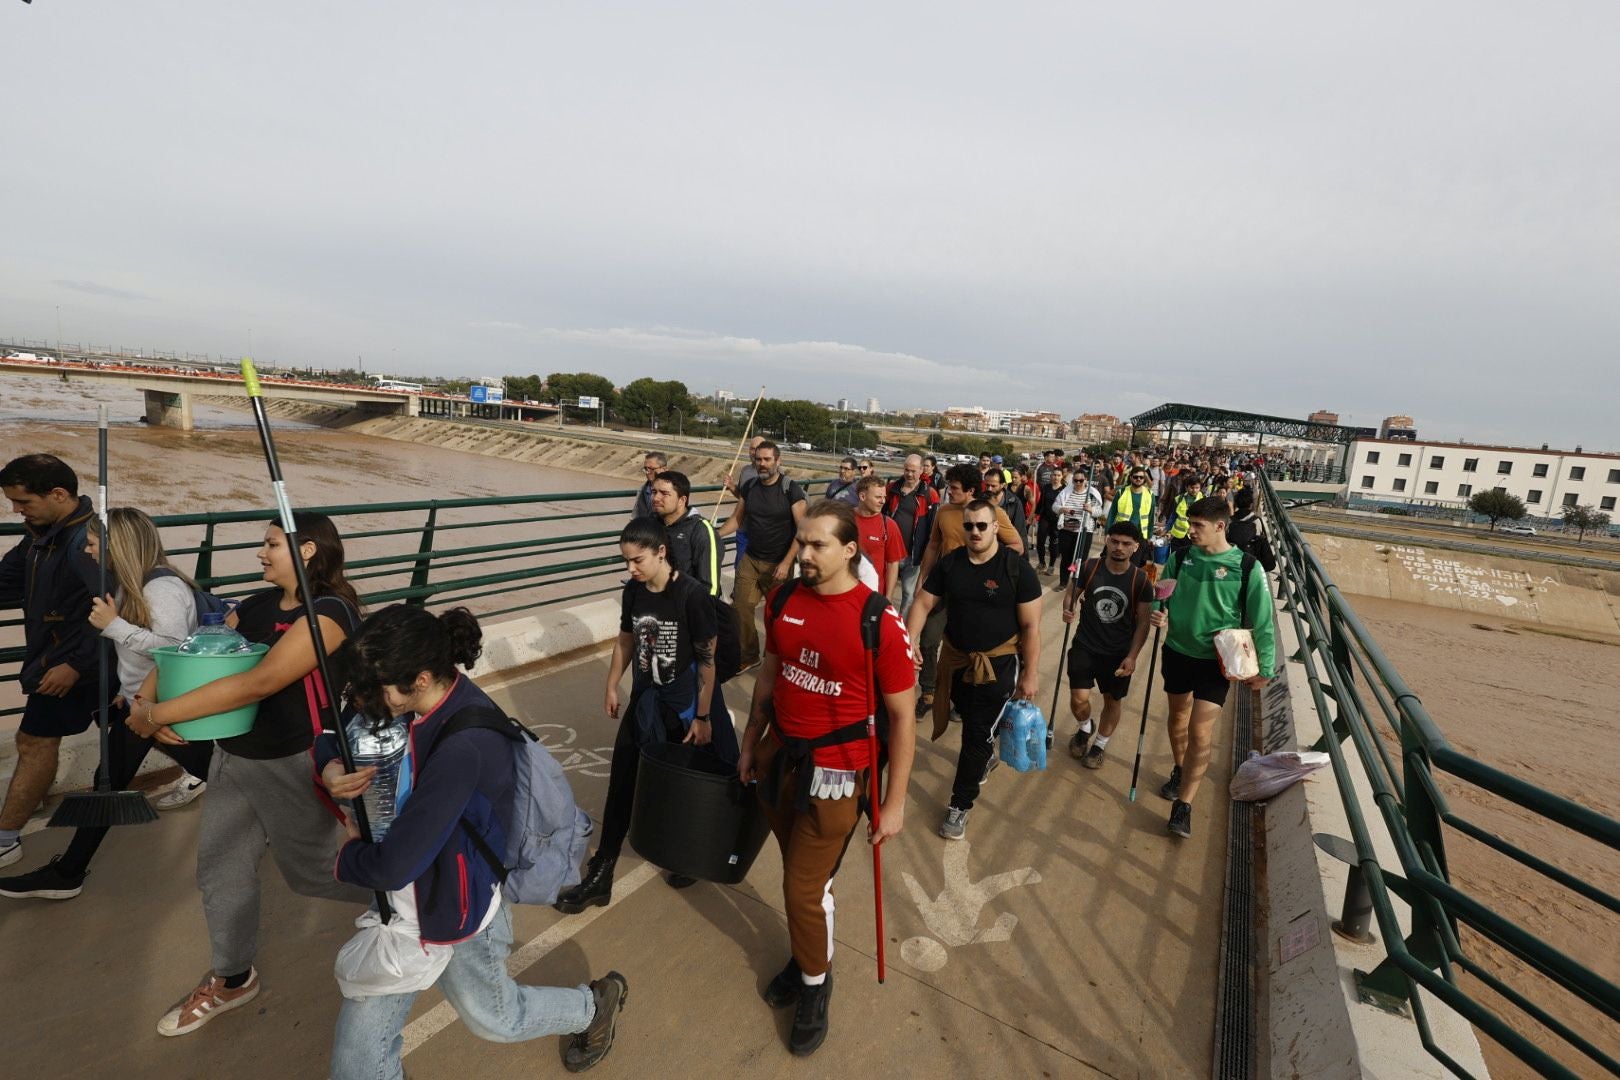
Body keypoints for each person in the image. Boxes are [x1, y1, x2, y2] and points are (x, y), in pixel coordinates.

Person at [321, 605, 628, 1078]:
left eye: (380, 689)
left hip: (455, 905)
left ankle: (592, 1007)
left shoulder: (462, 747)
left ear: (421, 678)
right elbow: (340, 727)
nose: (369, 700)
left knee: (496, 1018)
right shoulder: (415, 699)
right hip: (406, 907)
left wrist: (348, 855)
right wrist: (330, 765)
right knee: (357, 1062)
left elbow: (390, 866)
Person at [130, 512, 371, 1036]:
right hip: (235, 755)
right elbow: (190, 652)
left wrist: (158, 717)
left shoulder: (329, 612)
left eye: (271, 544)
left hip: (297, 759)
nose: (260, 553)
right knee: (221, 869)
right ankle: (233, 978)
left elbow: (259, 682)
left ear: (307, 551)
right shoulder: (256, 605)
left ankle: (419, 896)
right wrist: (143, 698)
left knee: (314, 874)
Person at [737, 500, 917, 1057]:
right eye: (802, 542)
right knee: (806, 881)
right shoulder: (783, 598)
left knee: (801, 887)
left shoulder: (878, 620)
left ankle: (815, 985)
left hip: (838, 774)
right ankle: (808, 948)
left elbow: (903, 716)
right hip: (779, 759)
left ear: (848, 551)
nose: (805, 554)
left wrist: (895, 803)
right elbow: (770, 675)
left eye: (817, 545)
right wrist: (749, 745)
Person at [0, 508, 214, 900]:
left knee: (123, 778)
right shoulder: (127, 585)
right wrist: (126, 687)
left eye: (95, 544)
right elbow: (140, 652)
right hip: (141, 702)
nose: (91, 552)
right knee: (203, 769)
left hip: (163, 705)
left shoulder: (159, 589)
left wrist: (113, 626)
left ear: (118, 546)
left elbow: (171, 648)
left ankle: (68, 872)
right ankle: (68, 871)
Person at [556, 517, 721, 911]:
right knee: (622, 783)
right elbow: (626, 640)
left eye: (637, 560)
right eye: (626, 561)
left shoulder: (692, 596)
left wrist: (702, 716)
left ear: (661, 552)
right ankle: (601, 873)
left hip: (679, 709)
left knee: (673, 791)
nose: (631, 568)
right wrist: (613, 684)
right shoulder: (634, 592)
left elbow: (708, 662)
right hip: (644, 701)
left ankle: (687, 856)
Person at [906, 499, 1040, 840]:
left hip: (997, 666)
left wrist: (1030, 673)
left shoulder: (1016, 569)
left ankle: (960, 805)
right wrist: (909, 641)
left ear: (996, 527)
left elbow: (1031, 628)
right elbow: (923, 602)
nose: (975, 532)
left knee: (974, 736)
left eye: (982, 525)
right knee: (965, 716)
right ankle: (987, 749)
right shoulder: (951, 564)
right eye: (969, 526)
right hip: (956, 662)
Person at [1148, 497, 1276, 839]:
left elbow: (1263, 619)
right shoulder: (1181, 558)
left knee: (1200, 731)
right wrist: (1159, 613)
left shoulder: (1247, 566)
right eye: (1189, 524)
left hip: (1216, 663)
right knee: (1177, 719)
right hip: (1177, 652)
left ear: (1221, 525)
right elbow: (1162, 594)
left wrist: (1266, 666)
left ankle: (1184, 805)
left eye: (1197, 526)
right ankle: (1180, 768)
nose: (1190, 531)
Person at [0, 454, 101, 870]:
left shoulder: (87, 542)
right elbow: (5, 581)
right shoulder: (41, 538)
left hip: (76, 665)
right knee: (141, 733)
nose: (15, 511)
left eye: (23, 502)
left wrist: (77, 664)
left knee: (35, 741)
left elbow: (119, 605)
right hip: (62, 659)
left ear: (58, 494)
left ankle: (6, 839)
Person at [912, 464, 1024, 713]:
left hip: (977, 593)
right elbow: (933, 546)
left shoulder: (993, 514)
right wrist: (923, 578)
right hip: (943, 586)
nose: (948, 492)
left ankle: (960, 696)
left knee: (968, 645)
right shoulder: (944, 512)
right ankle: (928, 692)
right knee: (929, 640)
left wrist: (990, 565)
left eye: (953, 488)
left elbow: (1017, 545)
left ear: (971, 490)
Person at [1062, 522, 1153, 769]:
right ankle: (1085, 727)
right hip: (1085, 645)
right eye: (1114, 541)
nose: (1118, 548)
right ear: (1107, 541)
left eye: (1126, 544)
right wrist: (1067, 607)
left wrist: (1133, 656)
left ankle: (1099, 745)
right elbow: (1072, 592)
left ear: (1135, 547)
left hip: (1118, 653)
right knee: (1078, 699)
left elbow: (1144, 623)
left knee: (1112, 701)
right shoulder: (1090, 567)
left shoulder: (1141, 580)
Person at [717, 440, 807, 672]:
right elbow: (738, 519)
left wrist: (787, 562)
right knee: (741, 607)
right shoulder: (749, 487)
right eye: (758, 459)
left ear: (778, 461)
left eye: (767, 459)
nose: (762, 464)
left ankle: (779, 658)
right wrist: (713, 534)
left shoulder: (791, 489)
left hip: (778, 563)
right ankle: (749, 655)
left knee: (777, 616)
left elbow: (803, 531)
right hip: (751, 559)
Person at [651, 469, 740, 683]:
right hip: (659, 618)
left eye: (664, 493)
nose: (655, 498)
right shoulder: (654, 525)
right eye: (654, 492)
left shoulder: (701, 531)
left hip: (691, 620)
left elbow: (708, 588)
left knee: (697, 683)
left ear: (682, 499)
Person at [883, 454, 940, 617]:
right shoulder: (892, 489)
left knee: (908, 594)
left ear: (922, 470)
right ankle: (885, 620)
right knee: (887, 589)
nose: (909, 474)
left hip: (913, 554)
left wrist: (926, 554)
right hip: (891, 552)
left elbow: (933, 527)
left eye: (913, 471)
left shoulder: (930, 494)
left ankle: (902, 627)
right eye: (906, 470)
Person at [853, 475, 906, 599]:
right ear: (862, 496)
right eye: (878, 497)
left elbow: (893, 565)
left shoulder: (889, 526)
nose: (883, 501)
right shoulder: (843, 520)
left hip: (873, 596)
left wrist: (887, 598)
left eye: (884, 497)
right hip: (842, 592)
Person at [1051, 470, 1104, 590]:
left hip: (1084, 530)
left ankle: (1078, 583)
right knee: (1066, 557)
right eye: (1076, 480)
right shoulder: (1066, 492)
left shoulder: (1091, 494)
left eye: (1081, 480)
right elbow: (1054, 506)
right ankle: (1063, 582)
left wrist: (1090, 509)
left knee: (1081, 559)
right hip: (1067, 530)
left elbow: (1099, 512)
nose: (1078, 483)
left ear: (1086, 480)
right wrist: (1062, 509)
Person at [1106, 468, 1157, 567]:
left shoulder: (1150, 495)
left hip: (1140, 535)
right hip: (1121, 534)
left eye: (1141, 477)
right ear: (1131, 477)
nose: (1138, 479)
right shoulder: (1121, 492)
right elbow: (1112, 513)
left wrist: (1150, 536)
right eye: (1136, 477)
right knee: (1115, 562)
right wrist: (1108, 532)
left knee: (1135, 565)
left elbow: (1151, 517)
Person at [1226, 488, 1277, 572]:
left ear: (1236, 504)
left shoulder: (1229, 520)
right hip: (1251, 565)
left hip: (1232, 563)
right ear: (1251, 504)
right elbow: (1268, 539)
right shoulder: (1258, 520)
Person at [982, 468, 1027, 550]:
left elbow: (1021, 531)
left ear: (1002, 485)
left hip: (1006, 550)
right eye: (987, 485)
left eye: (993, 486)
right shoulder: (980, 501)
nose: (989, 489)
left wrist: (1023, 560)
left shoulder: (1014, 502)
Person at [1035, 466, 1065, 574]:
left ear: (1062, 476)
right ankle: (1042, 563)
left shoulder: (1064, 489)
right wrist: (1036, 514)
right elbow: (1040, 502)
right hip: (1045, 518)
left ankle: (1051, 566)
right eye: (1054, 475)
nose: (1056, 477)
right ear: (1051, 476)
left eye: (1058, 475)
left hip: (1057, 520)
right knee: (1040, 541)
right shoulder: (1046, 487)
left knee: (1053, 544)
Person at [1165, 475, 1204, 554]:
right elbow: (1173, 516)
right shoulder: (1179, 498)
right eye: (1192, 487)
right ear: (1186, 487)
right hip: (1177, 535)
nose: (1194, 490)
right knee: (1175, 557)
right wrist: (1167, 529)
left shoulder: (1203, 500)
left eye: (1197, 488)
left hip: (1193, 536)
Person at [631, 451, 667, 519]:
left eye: (651, 469)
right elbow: (635, 516)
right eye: (645, 469)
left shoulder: (673, 490)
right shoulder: (642, 489)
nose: (647, 472)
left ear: (664, 469)